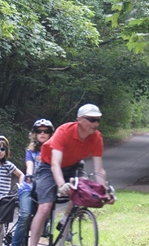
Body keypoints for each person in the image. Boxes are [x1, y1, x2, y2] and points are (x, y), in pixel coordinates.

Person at [29, 103, 115, 246]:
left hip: (73, 165)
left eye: (98, 120)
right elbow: (55, 164)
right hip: (48, 166)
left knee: (85, 191)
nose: (96, 124)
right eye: (91, 120)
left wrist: (104, 191)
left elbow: (99, 169)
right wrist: (62, 185)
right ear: (80, 120)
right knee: (45, 207)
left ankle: (66, 219)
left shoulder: (96, 137)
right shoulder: (64, 131)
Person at [12, 119, 54, 246]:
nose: (42, 133)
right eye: (39, 131)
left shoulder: (55, 150)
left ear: (51, 134)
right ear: (34, 134)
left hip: (45, 188)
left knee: (46, 214)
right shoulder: (31, 151)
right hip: (29, 187)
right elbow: (29, 165)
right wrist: (29, 175)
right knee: (25, 215)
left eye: (46, 131)